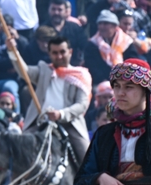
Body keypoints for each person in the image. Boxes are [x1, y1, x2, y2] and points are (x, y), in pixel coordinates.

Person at [6, 34, 92, 164]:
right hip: (41, 122)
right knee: (19, 153)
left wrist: (60, 114)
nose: (59, 56)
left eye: (62, 52)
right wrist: (13, 51)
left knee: (88, 160)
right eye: (55, 53)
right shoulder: (45, 70)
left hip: (69, 123)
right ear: (49, 54)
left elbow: (82, 105)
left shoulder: (80, 75)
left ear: (70, 52)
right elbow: (25, 72)